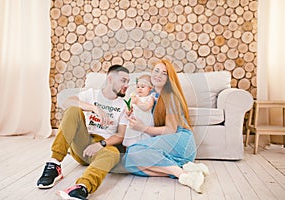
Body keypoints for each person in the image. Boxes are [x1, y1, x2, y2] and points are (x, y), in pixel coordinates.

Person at [36, 65, 130, 200]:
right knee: (73, 110)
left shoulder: (123, 105)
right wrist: (93, 108)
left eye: (128, 81)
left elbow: (120, 136)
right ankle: (54, 164)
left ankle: (82, 187)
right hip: (82, 145)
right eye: (123, 80)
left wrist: (101, 144)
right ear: (110, 79)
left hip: (102, 150)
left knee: (114, 153)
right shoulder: (91, 94)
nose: (126, 85)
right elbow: (67, 102)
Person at [123, 59, 209, 193]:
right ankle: (184, 170)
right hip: (169, 141)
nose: (158, 75)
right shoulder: (153, 96)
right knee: (129, 161)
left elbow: (170, 130)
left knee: (135, 152)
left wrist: (142, 128)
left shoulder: (170, 96)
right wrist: (131, 111)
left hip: (180, 139)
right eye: (156, 71)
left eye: (164, 73)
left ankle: (184, 176)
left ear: (169, 79)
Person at [123, 74, 154, 147]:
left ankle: (143, 147)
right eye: (138, 87)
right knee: (132, 137)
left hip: (145, 121)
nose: (140, 89)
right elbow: (128, 106)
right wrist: (128, 110)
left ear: (150, 88)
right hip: (134, 121)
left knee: (144, 137)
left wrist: (137, 102)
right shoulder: (134, 97)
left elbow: (146, 107)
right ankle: (130, 147)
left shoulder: (150, 98)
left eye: (143, 87)